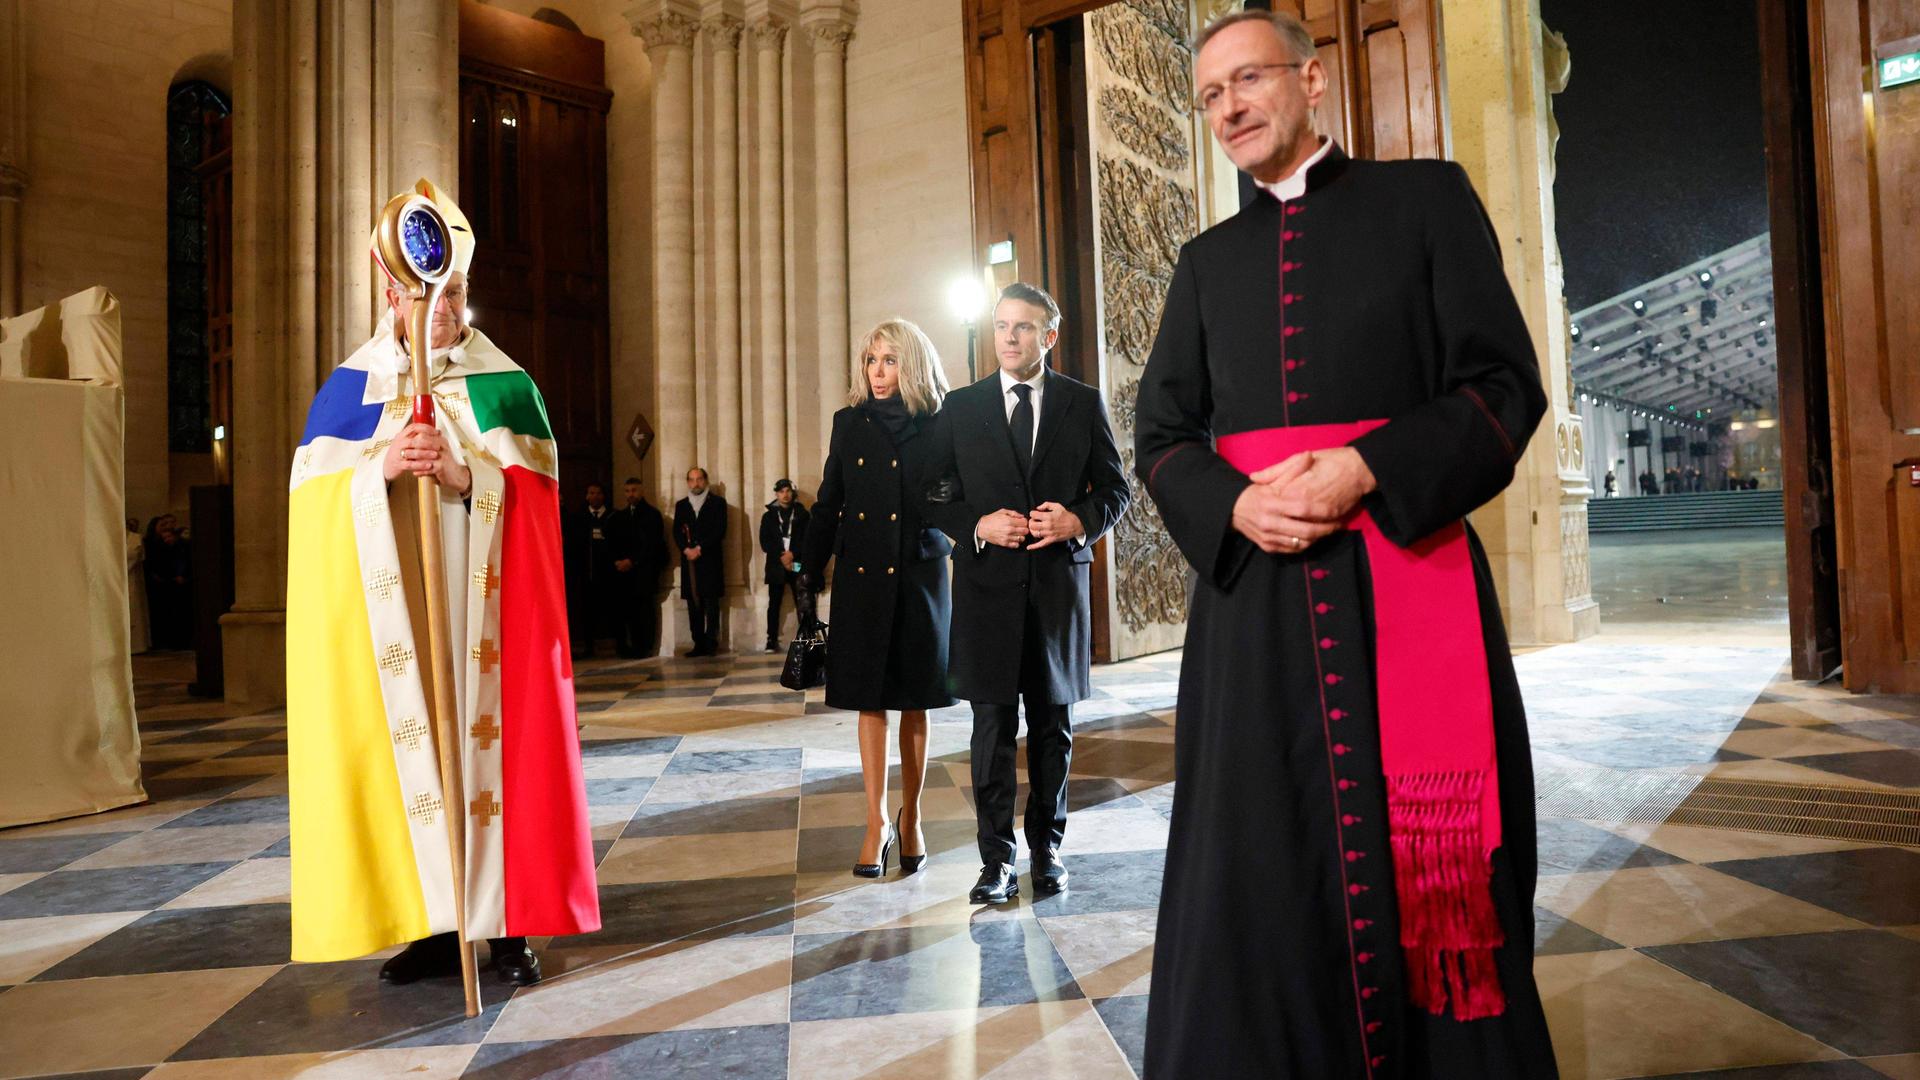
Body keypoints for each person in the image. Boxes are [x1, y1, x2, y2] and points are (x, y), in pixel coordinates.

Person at [1131, 12, 1555, 1075]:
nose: (1228, 107)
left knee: (1437, 884)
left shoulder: (1425, 203)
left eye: (1248, 80)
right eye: (1210, 94)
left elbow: (1504, 386)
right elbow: (1161, 434)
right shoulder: (1202, 262)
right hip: (1255, 623)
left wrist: (1370, 467)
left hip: (1405, 585)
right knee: (1260, 872)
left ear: (1312, 80)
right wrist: (1232, 505)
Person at [284, 178, 599, 989]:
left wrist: (466, 479)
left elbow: (538, 505)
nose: (450, 309)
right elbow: (312, 513)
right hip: (398, 631)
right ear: (393, 293)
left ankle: (510, 927)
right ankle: (431, 926)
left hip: (488, 620)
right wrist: (380, 469)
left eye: (458, 292)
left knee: (498, 757)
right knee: (409, 758)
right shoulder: (347, 391)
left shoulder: (506, 384)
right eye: (434, 293)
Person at [921, 283, 1130, 905]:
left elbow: (1116, 490)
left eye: (1023, 327)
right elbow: (933, 493)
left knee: (1051, 732)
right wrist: (977, 525)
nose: (1009, 338)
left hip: (1057, 594)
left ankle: (1047, 850)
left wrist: (1079, 520)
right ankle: (995, 862)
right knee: (989, 732)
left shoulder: (1081, 403)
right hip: (986, 594)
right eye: (1002, 325)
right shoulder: (960, 408)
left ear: (1050, 336)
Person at [802, 319, 956, 877]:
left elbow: (952, 497)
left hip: (918, 572)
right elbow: (828, 502)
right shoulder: (849, 424)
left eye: (890, 360)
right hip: (863, 575)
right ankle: (875, 822)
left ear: (911, 364)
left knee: (916, 698)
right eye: (871, 360)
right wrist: (807, 566)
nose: (878, 372)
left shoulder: (940, 423)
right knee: (871, 698)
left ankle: (911, 815)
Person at [610, 476, 666, 658]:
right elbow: (615, 542)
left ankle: (645, 647)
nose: (630, 494)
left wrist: (632, 561)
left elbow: (652, 545)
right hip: (625, 576)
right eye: (627, 491)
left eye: (634, 490)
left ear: (641, 491)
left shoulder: (652, 515)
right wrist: (618, 561)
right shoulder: (620, 516)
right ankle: (631, 646)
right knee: (629, 611)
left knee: (645, 611)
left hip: (643, 572)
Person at [674, 467, 728, 656]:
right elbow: (676, 532)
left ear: (705, 480)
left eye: (699, 479)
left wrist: (700, 548)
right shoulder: (681, 505)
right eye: (691, 479)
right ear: (687, 482)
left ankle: (711, 641)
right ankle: (697, 642)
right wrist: (686, 549)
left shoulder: (718, 503)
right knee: (693, 602)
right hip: (690, 561)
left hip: (709, 559)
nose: (695, 483)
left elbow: (719, 530)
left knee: (711, 602)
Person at [759, 479, 814, 654]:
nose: (785, 494)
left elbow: (807, 538)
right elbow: (765, 541)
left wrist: (793, 554)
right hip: (777, 564)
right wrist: (782, 556)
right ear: (776, 494)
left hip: (796, 563)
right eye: (781, 491)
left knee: (803, 601)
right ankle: (771, 639)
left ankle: (807, 636)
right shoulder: (768, 516)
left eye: (788, 491)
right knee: (774, 603)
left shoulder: (802, 514)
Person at [564, 481, 618, 660]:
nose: (594, 496)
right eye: (591, 493)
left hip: (609, 573)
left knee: (611, 609)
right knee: (586, 611)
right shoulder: (578, 518)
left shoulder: (613, 517)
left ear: (603, 496)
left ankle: (616, 643)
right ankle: (588, 645)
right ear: (587, 496)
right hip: (585, 573)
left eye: (598, 493)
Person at [142, 513, 192, 649]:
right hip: (164, 583)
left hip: (178, 582)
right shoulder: (155, 545)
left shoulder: (181, 545)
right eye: (163, 525)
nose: (167, 528)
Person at [126, 516, 151, 654]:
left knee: (134, 608)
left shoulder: (136, 538)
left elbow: (136, 556)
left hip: (132, 576)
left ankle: (137, 645)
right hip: (118, 576)